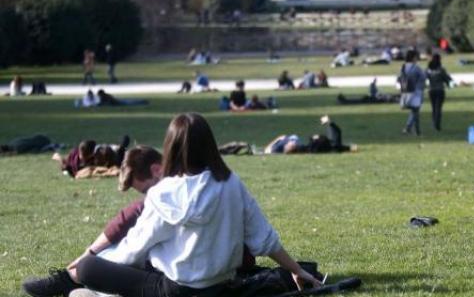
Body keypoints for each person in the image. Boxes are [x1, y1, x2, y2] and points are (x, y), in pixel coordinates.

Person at [73, 113, 321, 296]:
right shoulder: (231, 183)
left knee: (88, 268)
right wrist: (298, 271)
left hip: (175, 290)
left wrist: (100, 267)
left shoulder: (163, 193)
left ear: (171, 148)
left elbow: (133, 250)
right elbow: (265, 240)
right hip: (221, 289)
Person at [22, 146, 165, 297]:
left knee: (88, 266)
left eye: (146, 190)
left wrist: (88, 261)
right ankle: (75, 280)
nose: (148, 196)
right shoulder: (176, 193)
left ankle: (72, 279)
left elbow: (132, 237)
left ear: (157, 170)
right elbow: (128, 219)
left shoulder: (170, 201)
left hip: (168, 281)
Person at [398, 50, 426, 136]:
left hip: (406, 91)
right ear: (413, 57)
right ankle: (414, 130)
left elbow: (399, 79)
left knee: (414, 112)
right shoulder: (416, 68)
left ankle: (410, 129)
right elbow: (423, 78)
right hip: (416, 92)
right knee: (416, 111)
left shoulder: (403, 67)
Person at [426, 54, 452, 131]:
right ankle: (437, 124)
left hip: (431, 90)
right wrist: (448, 84)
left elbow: (424, 77)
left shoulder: (429, 70)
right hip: (440, 90)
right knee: (438, 108)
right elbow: (447, 78)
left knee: (433, 108)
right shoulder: (441, 69)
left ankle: (434, 123)